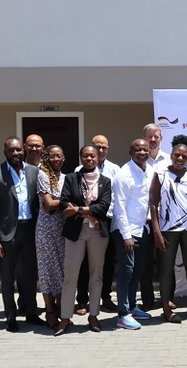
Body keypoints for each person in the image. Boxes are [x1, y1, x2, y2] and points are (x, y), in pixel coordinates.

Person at [0, 137, 42, 332]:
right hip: (7, 234)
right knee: (8, 277)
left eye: (19, 150)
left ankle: (32, 313)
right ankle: (10, 316)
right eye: (12, 150)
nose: (16, 153)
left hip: (30, 230)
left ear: (23, 150)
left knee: (30, 275)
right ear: (5, 152)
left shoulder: (34, 171)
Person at [54, 145, 112, 336]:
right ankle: (64, 318)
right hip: (75, 233)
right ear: (81, 158)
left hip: (97, 232)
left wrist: (79, 210)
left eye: (92, 155)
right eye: (85, 155)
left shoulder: (106, 181)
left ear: (98, 158)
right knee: (71, 275)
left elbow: (103, 207)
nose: (89, 158)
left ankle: (93, 315)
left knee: (96, 275)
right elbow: (64, 203)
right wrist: (89, 213)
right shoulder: (71, 178)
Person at [150, 135, 187, 323]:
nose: (180, 159)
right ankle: (166, 308)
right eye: (177, 155)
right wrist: (157, 231)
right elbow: (153, 205)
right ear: (171, 154)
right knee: (166, 270)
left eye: (184, 156)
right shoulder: (160, 174)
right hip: (167, 229)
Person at [111, 139, 155, 330]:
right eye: (138, 149)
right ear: (130, 151)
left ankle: (131, 307)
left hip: (142, 229)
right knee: (126, 272)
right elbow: (119, 208)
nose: (142, 152)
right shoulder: (124, 174)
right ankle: (122, 314)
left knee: (137, 270)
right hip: (125, 231)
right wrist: (126, 236)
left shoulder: (149, 171)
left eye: (145, 149)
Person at [76, 134, 120, 314]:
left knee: (107, 261)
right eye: (97, 147)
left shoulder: (115, 169)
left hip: (106, 220)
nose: (100, 150)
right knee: (84, 261)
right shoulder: (79, 169)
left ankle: (106, 296)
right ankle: (82, 300)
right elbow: (77, 196)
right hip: (84, 219)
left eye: (103, 147)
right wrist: (89, 213)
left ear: (108, 149)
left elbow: (116, 197)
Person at [35, 145, 66, 329]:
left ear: (64, 158)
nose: (56, 159)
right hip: (46, 229)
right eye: (52, 156)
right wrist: (70, 202)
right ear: (47, 158)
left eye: (59, 156)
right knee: (47, 270)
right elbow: (48, 204)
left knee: (61, 270)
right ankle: (49, 310)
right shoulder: (43, 175)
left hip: (62, 228)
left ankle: (62, 308)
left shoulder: (65, 177)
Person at [140, 123, 168, 311]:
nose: (152, 139)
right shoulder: (138, 161)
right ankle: (148, 300)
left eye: (155, 136)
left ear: (161, 138)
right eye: (149, 136)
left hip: (166, 220)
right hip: (144, 220)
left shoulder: (169, 160)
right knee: (144, 264)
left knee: (166, 263)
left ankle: (167, 298)